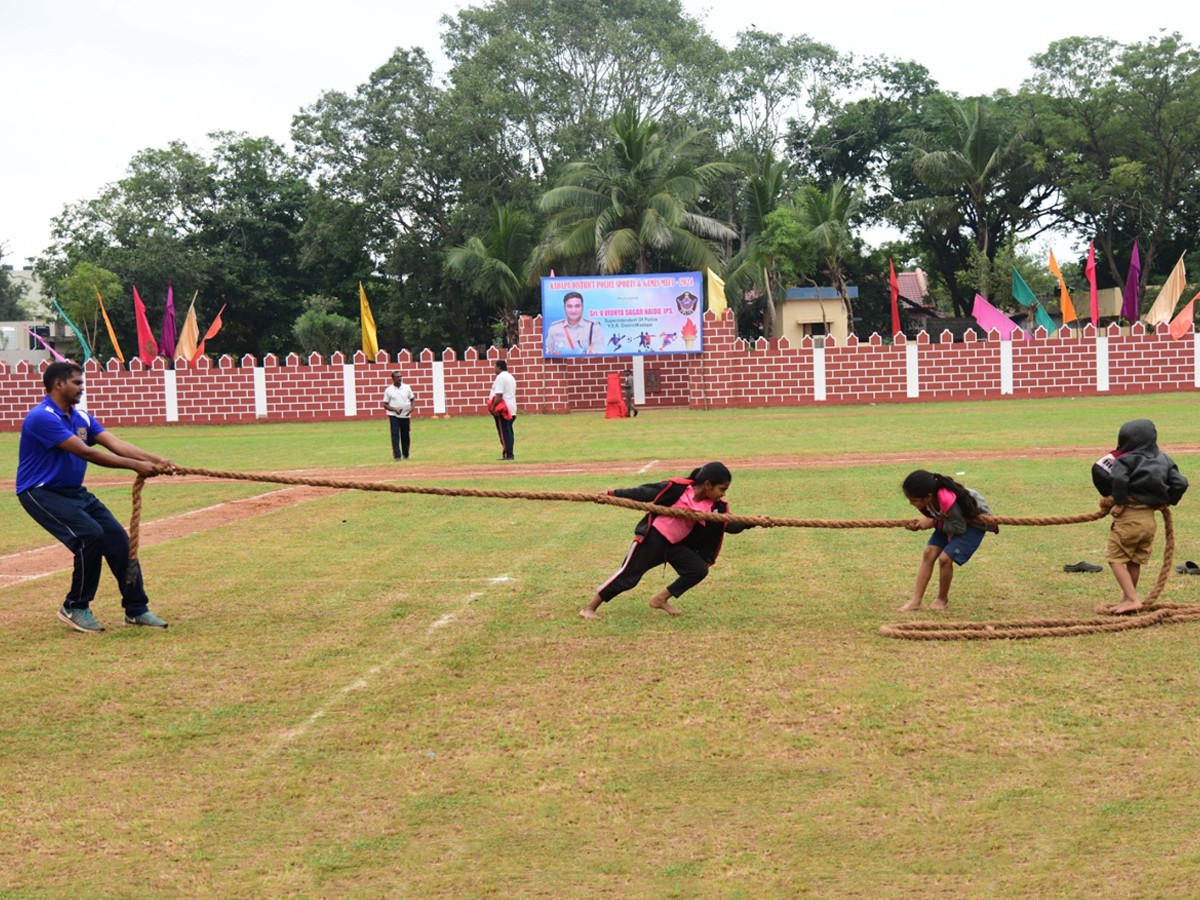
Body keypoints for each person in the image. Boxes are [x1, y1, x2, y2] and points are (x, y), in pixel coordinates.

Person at [16, 361, 175, 633]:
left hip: (74, 492)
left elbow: (116, 444)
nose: (82, 386)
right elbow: (86, 452)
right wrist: (136, 466)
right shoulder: (42, 417)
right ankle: (75, 606)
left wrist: (156, 459)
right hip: (40, 492)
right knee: (89, 535)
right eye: (77, 382)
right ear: (58, 384)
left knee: (119, 541)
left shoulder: (82, 418)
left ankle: (136, 609)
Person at [579, 461, 754, 620]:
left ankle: (660, 599)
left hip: (674, 546)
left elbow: (729, 526)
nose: (723, 494)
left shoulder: (716, 507)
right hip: (652, 540)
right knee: (628, 576)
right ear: (708, 485)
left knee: (698, 570)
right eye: (721, 489)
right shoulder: (678, 489)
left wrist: (755, 522)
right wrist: (612, 494)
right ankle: (589, 608)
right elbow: (643, 492)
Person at [1092, 418, 1188, 614]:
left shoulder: (1124, 460)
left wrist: (1119, 501)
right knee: (1133, 560)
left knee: (1115, 559)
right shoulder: (1165, 459)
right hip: (1149, 521)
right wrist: (1169, 500)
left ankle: (1133, 599)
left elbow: (1119, 478)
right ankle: (1128, 598)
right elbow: (1181, 483)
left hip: (1130, 518)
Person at [899, 469, 998, 613]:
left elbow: (959, 528)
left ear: (928, 497)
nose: (910, 503)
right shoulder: (931, 500)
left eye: (913, 500)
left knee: (945, 559)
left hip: (972, 524)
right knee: (929, 553)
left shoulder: (947, 501)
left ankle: (942, 599)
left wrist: (932, 523)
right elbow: (940, 518)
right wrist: (926, 522)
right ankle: (916, 601)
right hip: (949, 520)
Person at [544, 291, 604, 355]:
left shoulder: (594, 327)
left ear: (582, 307)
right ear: (564, 308)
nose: (573, 310)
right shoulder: (554, 328)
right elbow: (547, 353)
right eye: (569, 306)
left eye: (577, 306)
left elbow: (600, 354)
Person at [382, 370, 415, 460]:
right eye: (397, 377)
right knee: (395, 435)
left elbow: (412, 399)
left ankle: (406, 454)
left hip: (405, 414)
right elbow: (385, 404)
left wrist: (411, 408)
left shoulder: (407, 387)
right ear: (393, 378)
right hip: (394, 415)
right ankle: (397, 456)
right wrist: (394, 409)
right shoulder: (389, 390)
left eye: (400, 376)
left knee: (405, 435)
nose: (399, 378)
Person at [489, 360, 517, 460]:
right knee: (508, 431)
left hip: (503, 408)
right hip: (512, 407)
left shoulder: (500, 377)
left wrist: (492, 407)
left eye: (495, 367)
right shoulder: (511, 377)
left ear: (499, 368)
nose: (494, 369)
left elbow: (499, 395)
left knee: (504, 432)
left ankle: (508, 454)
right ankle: (509, 452)